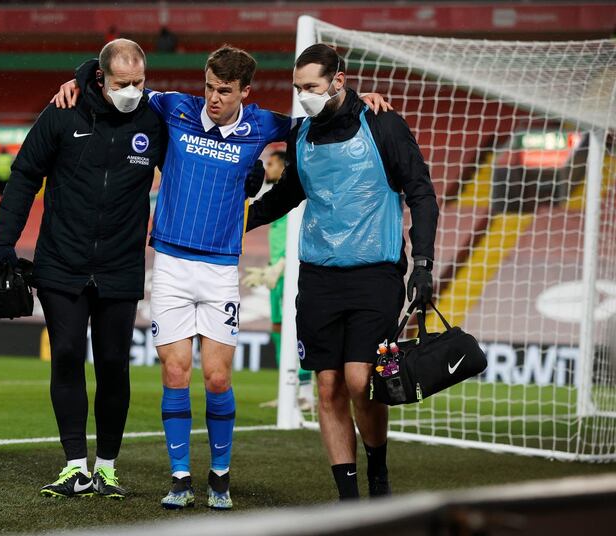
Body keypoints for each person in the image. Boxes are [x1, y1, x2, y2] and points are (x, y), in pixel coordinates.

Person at [52, 45, 391, 510]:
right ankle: (179, 478)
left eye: (224, 91)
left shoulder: (265, 126)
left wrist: (359, 100)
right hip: (170, 262)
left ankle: (220, 476)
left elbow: (324, 119)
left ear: (244, 92)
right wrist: (77, 78)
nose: (212, 97)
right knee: (174, 371)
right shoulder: (173, 106)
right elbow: (114, 85)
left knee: (215, 377)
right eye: (209, 86)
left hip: (219, 268)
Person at [246, 44, 439, 501]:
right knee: (328, 385)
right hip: (317, 276)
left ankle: (379, 471)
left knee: (360, 380)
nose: (304, 96)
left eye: (311, 87)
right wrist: (235, 219)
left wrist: (424, 262)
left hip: (377, 273)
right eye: (298, 89)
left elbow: (422, 193)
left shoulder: (383, 124)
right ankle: (348, 498)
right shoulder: (300, 136)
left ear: (338, 79)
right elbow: (287, 195)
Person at [0, 39, 167, 501]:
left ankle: (106, 468)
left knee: (112, 365)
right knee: (66, 354)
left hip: (121, 265)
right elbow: (25, 174)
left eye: (140, 82)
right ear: (101, 78)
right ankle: (74, 467)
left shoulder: (155, 118)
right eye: (123, 83)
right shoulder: (62, 112)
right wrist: (2, 245)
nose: (133, 91)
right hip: (61, 262)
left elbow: (193, 162)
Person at [242, 150, 314, 411]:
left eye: (271, 163)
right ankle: (287, 391)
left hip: (291, 271)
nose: (267, 166)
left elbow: (295, 237)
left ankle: (305, 392)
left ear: (284, 166)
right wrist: (268, 270)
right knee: (277, 330)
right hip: (278, 274)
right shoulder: (270, 200)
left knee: (294, 332)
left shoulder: (293, 199)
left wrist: (283, 264)